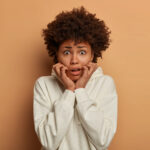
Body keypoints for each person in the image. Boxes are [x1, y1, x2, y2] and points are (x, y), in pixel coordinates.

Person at [33, 6, 118, 150]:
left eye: (82, 52)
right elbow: (48, 142)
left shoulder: (105, 83)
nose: (74, 60)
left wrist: (80, 91)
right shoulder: (43, 85)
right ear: (56, 54)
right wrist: (69, 92)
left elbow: (103, 141)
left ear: (92, 55)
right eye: (66, 52)